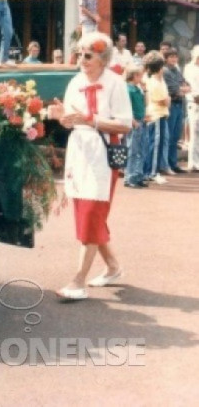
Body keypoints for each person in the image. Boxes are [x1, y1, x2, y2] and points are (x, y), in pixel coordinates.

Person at [48, 32, 131, 301]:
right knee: (86, 214)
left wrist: (90, 119)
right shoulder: (75, 82)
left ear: (103, 58)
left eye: (88, 55)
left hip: (103, 155)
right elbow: (71, 121)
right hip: (79, 153)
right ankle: (114, 267)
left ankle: (78, 281)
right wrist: (61, 117)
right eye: (79, 54)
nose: (81, 60)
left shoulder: (116, 83)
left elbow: (125, 123)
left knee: (93, 213)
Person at [142, 51, 171, 184]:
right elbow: (165, 101)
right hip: (156, 115)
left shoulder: (158, 80)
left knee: (156, 145)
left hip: (160, 115)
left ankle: (151, 171)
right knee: (155, 145)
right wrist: (167, 99)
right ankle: (152, 172)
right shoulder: (155, 82)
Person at [163, 48, 190, 173]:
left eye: (175, 56)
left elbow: (186, 84)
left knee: (175, 137)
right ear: (166, 58)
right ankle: (166, 164)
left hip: (180, 104)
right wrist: (182, 89)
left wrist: (182, 88)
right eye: (171, 56)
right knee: (168, 136)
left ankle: (173, 163)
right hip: (171, 105)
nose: (174, 59)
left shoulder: (177, 70)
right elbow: (173, 88)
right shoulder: (165, 71)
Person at [123, 64, 148, 188]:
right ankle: (130, 176)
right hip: (134, 121)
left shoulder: (137, 89)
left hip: (141, 120)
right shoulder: (128, 89)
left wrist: (145, 90)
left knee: (141, 149)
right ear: (134, 76)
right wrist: (132, 120)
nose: (141, 78)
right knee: (132, 150)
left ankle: (138, 175)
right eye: (140, 76)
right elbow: (126, 107)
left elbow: (145, 103)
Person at [184, 45, 199, 172]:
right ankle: (192, 163)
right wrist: (195, 96)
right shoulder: (189, 68)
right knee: (194, 133)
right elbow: (189, 85)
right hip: (194, 102)